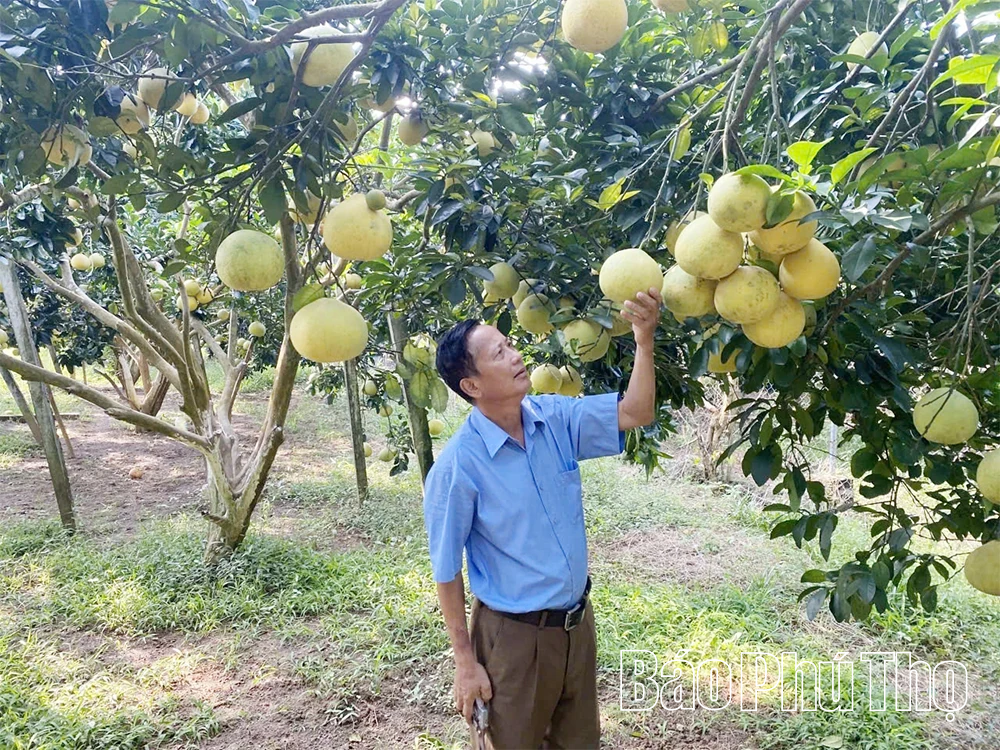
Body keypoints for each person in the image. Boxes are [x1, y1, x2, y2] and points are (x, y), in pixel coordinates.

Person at [422, 286, 662, 749]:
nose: (515, 356)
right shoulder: (458, 467)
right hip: (513, 640)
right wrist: (465, 663)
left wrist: (644, 339)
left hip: (576, 628)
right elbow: (446, 571)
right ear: (471, 386)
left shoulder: (553, 419)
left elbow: (637, 411)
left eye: (510, 345)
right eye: (499, 353)